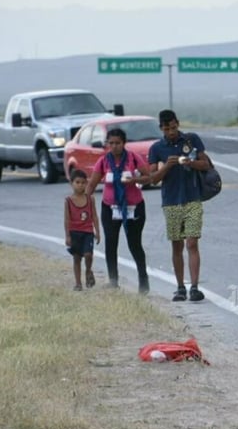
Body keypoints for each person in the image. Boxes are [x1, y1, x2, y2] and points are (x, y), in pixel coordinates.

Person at [148, 109, 210, 302]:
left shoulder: (191, 140)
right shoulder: (156, 148)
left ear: (178, 124)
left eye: (174, 127)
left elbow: (206, 164)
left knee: (192, 242)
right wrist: (167, 166)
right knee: (177, 245)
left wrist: (190, 162)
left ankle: (195, 287)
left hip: (192, 198)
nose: (171, 132)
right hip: (171, 201)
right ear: (161, 128)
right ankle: (180, 287)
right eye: (167, 129)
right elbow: (152, 179)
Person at [85, 127, 151, 294]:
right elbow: (92, 184)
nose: (114, 146)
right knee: (111, 242)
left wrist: (134, 179)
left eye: (118, 143)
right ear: (107, 144)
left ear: (124, 143)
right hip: (110, 208)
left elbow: (148, 177)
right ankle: (113, 280)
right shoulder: (103, 161)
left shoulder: (133, 159)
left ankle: (143, 279)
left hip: (133, 207)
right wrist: (82, 202)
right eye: (111, 143)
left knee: (134, 243)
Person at [65, 169, 100, 291]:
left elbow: (94, 216)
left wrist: (98, 232)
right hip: (74, 232)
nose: (80, 185)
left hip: (87, 232)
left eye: (83, 183)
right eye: (77, 182)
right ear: (72, 183)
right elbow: (67, 219)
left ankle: (88, 270)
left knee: (88, 254)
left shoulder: (90, 199)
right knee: (76, 258)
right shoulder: (68, 201)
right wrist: (68, 236)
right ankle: (78, 283)